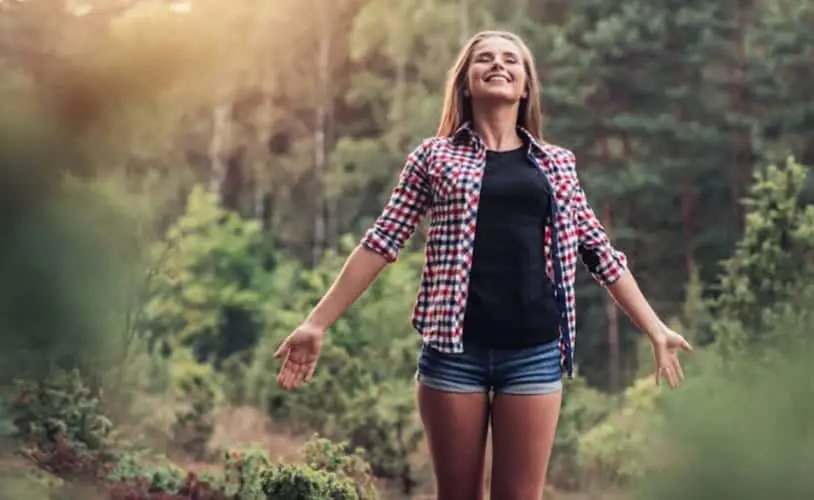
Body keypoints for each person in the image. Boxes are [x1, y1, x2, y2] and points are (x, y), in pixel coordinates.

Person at [273, 29, 692, 500]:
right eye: (484, 59)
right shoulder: (434, 158)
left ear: (526, 85)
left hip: (534, 353)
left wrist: (655, 328)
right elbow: (381, 242)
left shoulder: (556, 165)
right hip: (454, 355)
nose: (498, 64)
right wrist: (317, 323)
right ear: (466, 84)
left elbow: (598, 251)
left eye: (511, 60)